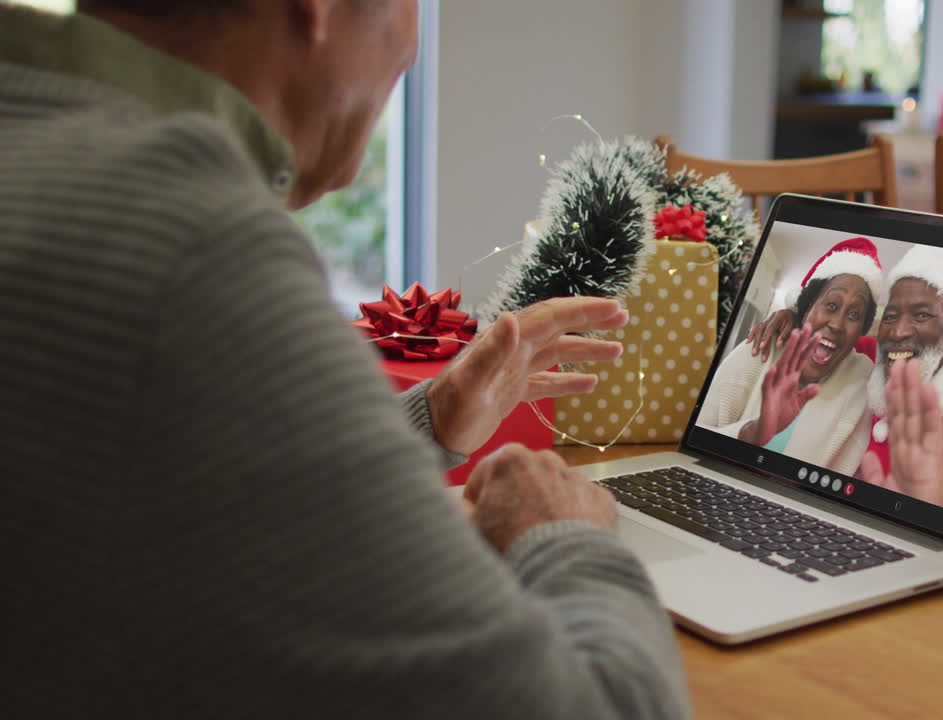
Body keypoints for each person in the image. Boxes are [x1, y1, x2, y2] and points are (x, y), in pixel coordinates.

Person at [0, 3, 688, 718]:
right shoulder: (191, 246)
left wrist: (429, 422)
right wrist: (562, 533)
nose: (412, 46)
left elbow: (180, 472)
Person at [748, 246, 943, 523]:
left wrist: (933, 513)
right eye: (891, 315)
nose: (897, 332)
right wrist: (792, 316)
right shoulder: (874, 358)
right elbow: (832, 338)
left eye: (922, 315)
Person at [698, 238, 883, 470]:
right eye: (831, 305)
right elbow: (695, 446)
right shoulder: (762, 347)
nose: (837, 324)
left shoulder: (862, 383)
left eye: (854, 315)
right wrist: (755, 431)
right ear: (805, 310)